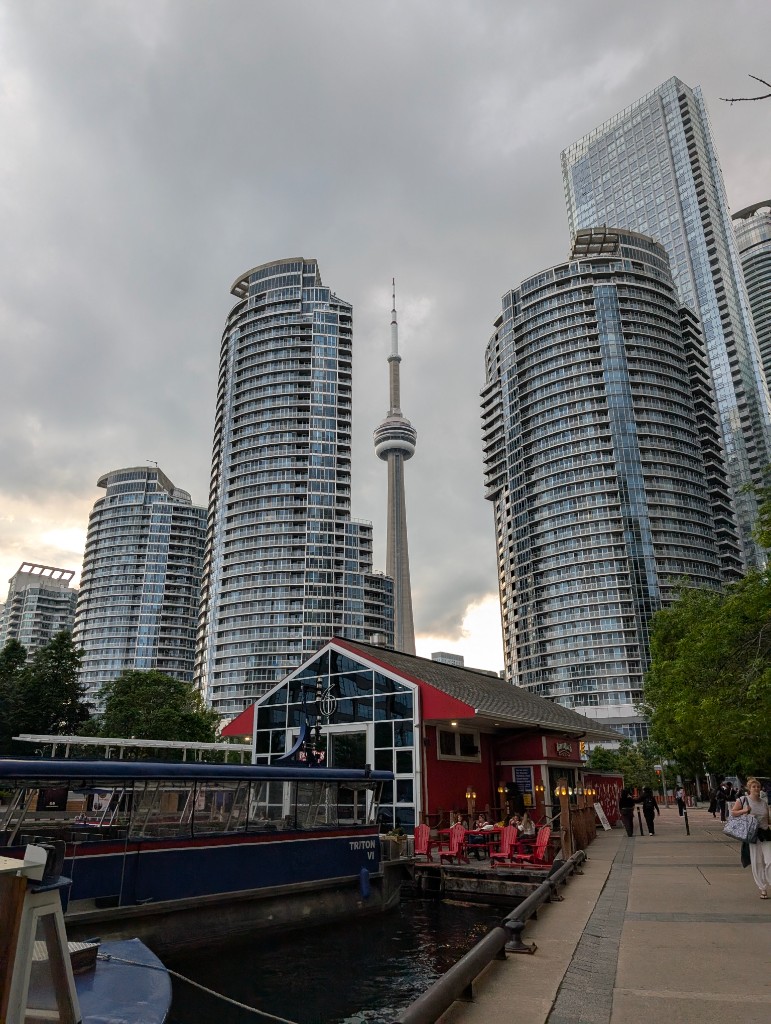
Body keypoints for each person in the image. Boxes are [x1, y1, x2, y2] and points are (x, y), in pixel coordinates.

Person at [730, 777, 771, 898]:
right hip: (752, 835)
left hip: (765, 833)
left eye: (758, 787)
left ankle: (769, 880)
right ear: (749, 788)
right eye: (754, 787)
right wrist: (744, 810)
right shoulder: (743, 800)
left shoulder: (764, 802)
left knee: (769, 860)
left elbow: (767, 819)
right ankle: (762, 888)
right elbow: (733, 813)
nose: (756, 788)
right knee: (757, 862)